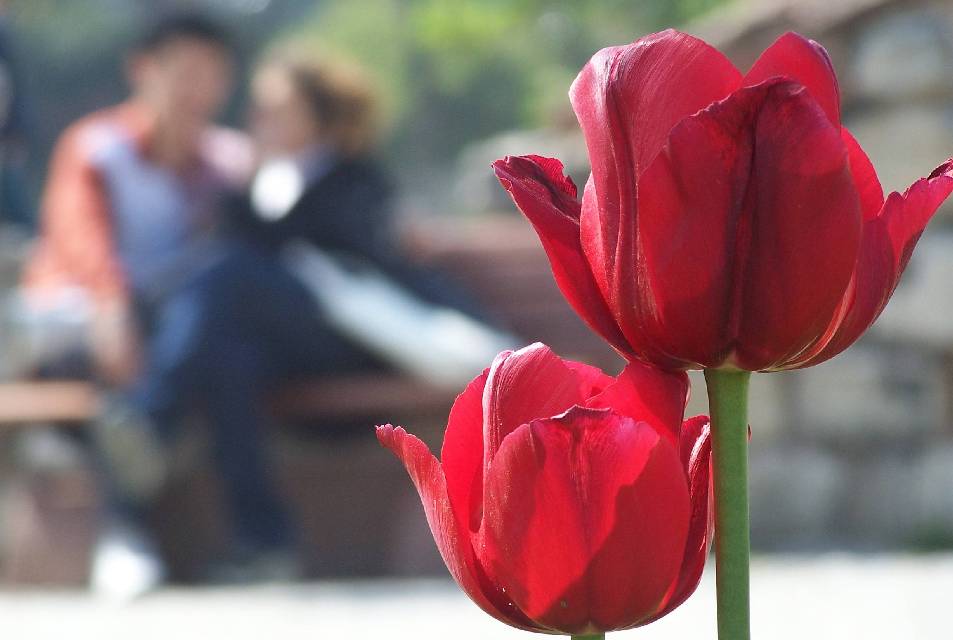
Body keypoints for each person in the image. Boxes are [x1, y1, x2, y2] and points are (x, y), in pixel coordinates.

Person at [20, 12, 255, 598]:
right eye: (183, 71)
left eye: (211, 74)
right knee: (124, 367)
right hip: (81, 320)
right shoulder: (96, 146)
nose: (196, 89)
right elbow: (80, 238)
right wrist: (111, 305)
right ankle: (126, 534)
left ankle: (153, 520)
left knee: (220, 359)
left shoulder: (228, 161)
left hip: (169, 330)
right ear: (141, 71)